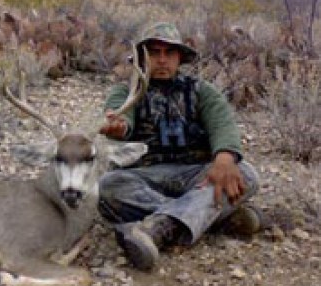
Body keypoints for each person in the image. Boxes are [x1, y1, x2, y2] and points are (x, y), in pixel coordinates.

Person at [98, 22, 262, 271]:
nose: (162, 60)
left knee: (247, 175)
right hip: (145, 175)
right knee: (106, 187)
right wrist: (119, 127)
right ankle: (213, 218)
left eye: (169, 53)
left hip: (196, 175)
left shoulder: (202, 91)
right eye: (154, 53)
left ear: (179, 57)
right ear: (143, 58)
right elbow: (123, 119)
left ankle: (161, 226)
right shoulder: (124, 92)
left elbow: (223, 124)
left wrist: (225, 157)